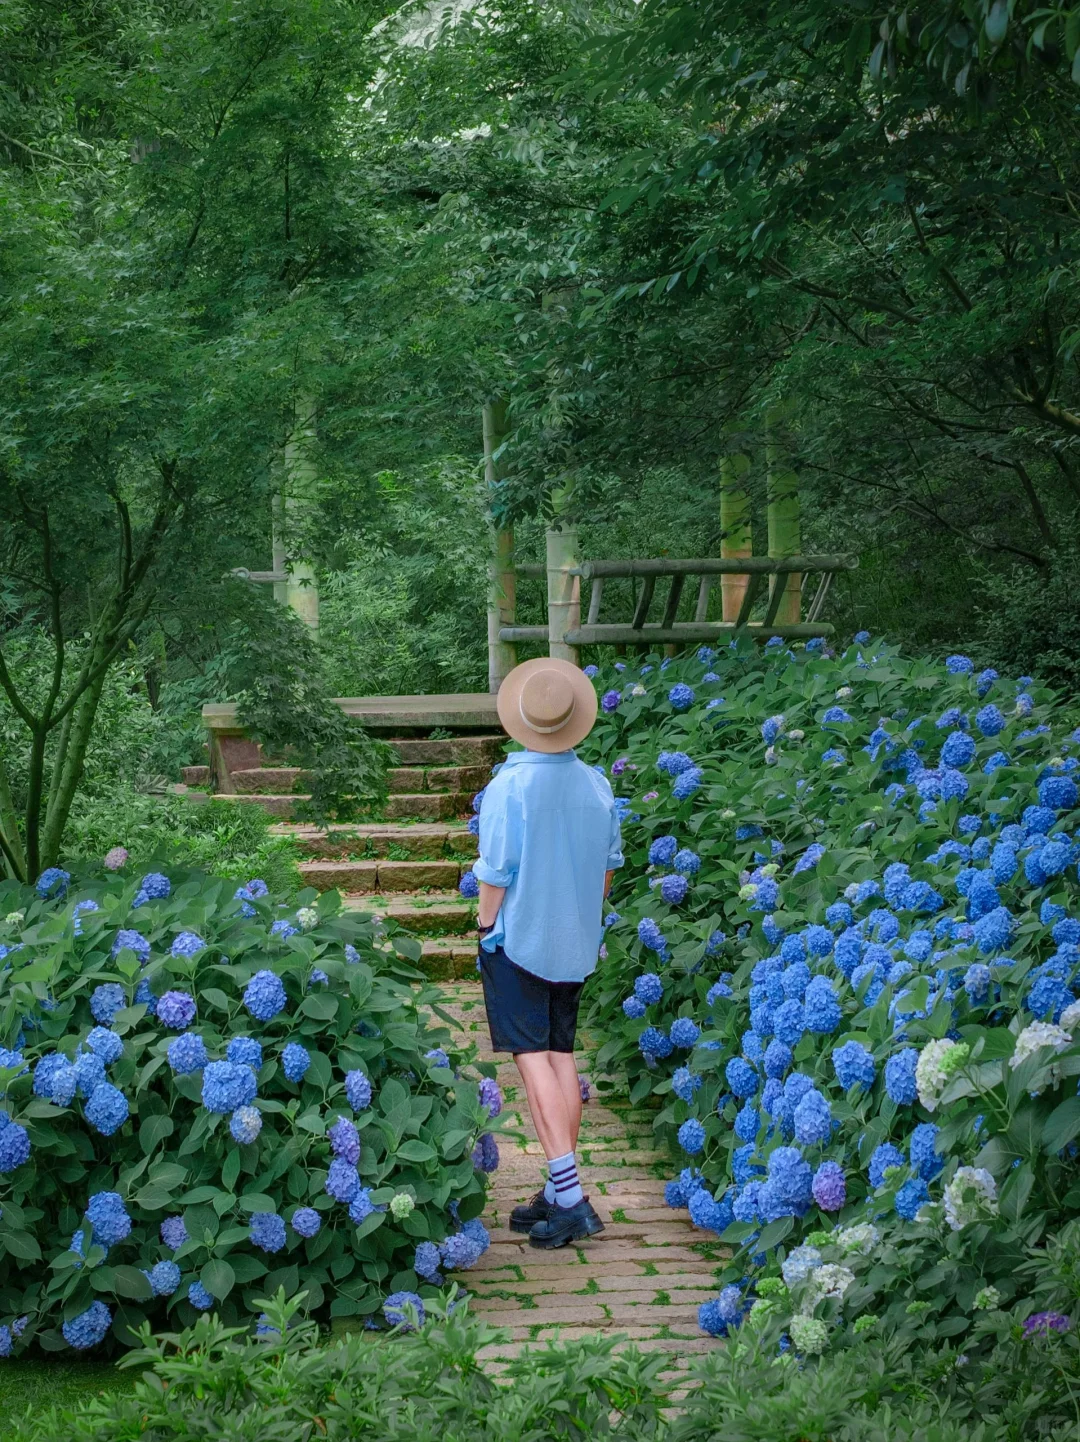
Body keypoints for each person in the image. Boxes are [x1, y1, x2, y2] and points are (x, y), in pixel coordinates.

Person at [472, 656, 623, 1249]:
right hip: (577, 940)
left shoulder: (510, 785)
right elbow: (607, 876)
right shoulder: (597, 784)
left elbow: (496, 872)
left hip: (520, 939)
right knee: (561, 1054)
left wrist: (486, 925)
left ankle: (572, 1200)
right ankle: (561, 1194)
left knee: (532, 1060)